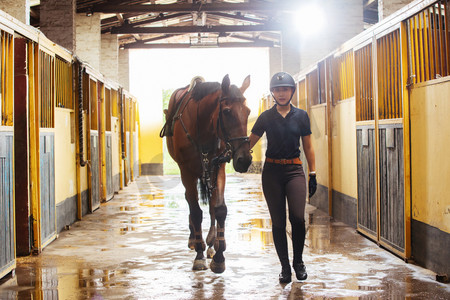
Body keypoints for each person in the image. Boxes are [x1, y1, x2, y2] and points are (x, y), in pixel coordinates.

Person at [249, 71, 317, 284]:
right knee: (278, 222)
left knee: (297, 217)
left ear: (291, 91)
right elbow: (248, 143)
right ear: (273, 93)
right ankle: (285, 267)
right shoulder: (266, 117)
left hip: (294, 171)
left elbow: (308, 146)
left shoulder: (302, 116)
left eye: (285, 89)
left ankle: (298, 261)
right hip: (272, 173)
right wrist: (235, 154)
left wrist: (312, 173)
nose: (281, 93)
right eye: (277, 90)